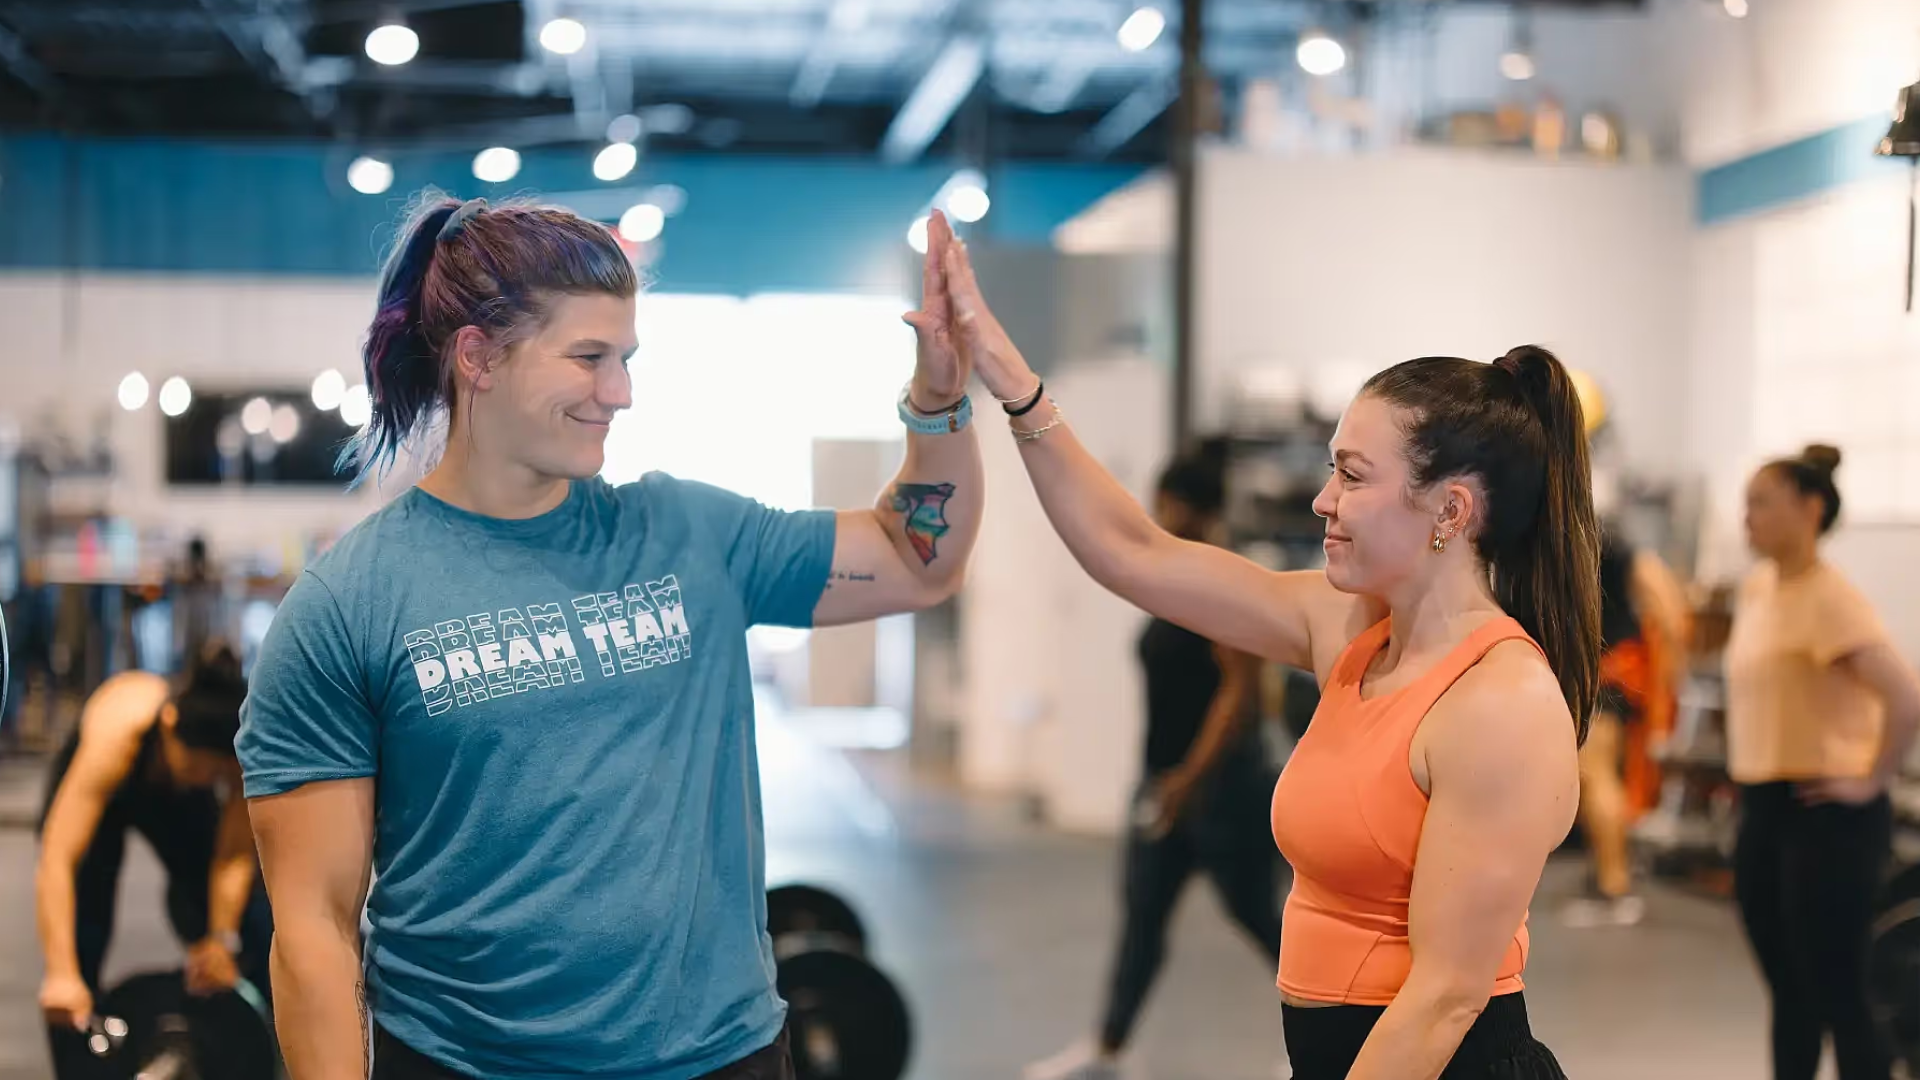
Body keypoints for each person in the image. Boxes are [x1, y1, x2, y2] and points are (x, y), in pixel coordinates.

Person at [236, 196, 982, 1080]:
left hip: (720, 1059)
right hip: (462, 1065)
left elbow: (917, 559)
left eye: (624, 359)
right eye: (588, 358)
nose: (620, 392)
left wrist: (938, 400)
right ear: (477, 357)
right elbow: (313, 929)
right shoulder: (348, 605)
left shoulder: (691, 536)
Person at [937, 239, 1591, 1077]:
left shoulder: (1500, 704)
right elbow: (1133, 553)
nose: (1324, 500)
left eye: (1353, 477)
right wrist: (1008, 379)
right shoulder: (1350, 628)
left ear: (1450, 509)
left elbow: (1444, 1001)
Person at [1025, 451, 1282, 1080]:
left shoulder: (1223, 580)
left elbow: (1238, 693)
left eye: (1163, 500)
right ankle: (1107, 1050)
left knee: (1267, 924)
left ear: (1189, 507)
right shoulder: (1172, 576)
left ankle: (1333, 1046)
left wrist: (1188, 781)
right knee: (1143, 918)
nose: (1155, 511)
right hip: (1163, 782)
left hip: (1220, 789)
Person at [1725, 445, 1920, 1080]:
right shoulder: (1759, 588)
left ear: (1809, 510)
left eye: (1761, 502)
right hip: (1764, 807)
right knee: (1791, 989)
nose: (1745, 516)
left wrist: (1871, 780)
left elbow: (1904, 694)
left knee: (1838, 989)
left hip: (1827, 816)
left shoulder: (1831, 598)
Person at [35, 643, 270, 1076]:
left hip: (168, 793)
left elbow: (231, 857)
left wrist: (221, 939)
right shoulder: (121, 729)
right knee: (82, 928)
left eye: (215, 774)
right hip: (100, 797)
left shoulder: (234, 751)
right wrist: (62, 972)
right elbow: (58, 857)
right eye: (199, 766)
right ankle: (80, 1060)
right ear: (170, 725)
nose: (206, 780)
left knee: (242, 923)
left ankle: (221, 1051)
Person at [1561, 521, 1690, 928]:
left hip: (1611, 674)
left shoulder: (1604, 534)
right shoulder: (1570, 534)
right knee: (1593, 778)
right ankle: (1608, 871)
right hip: (1596, 673)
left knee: (1595, 776)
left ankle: (1613, 886)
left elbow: (1668, 611)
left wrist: (1669, 684)